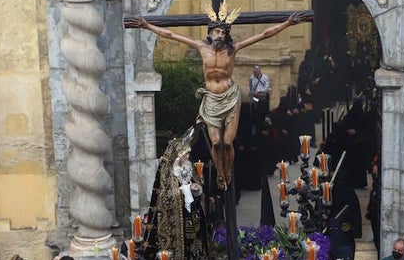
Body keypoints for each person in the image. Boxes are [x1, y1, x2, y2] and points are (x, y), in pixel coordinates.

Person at [131, 10, 309, 189]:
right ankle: (219, 172)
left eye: (223, 33)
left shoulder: (232, 49)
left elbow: (263, 34)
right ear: (210, 33)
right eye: (217, 31)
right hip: (211, 99)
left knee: (227, 142)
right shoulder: (201, 47)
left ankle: (228, 169)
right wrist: (147, 25)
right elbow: (170, 34)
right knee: (216, 143)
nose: (220, 35)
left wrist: (287, 23)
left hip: (230, 98)